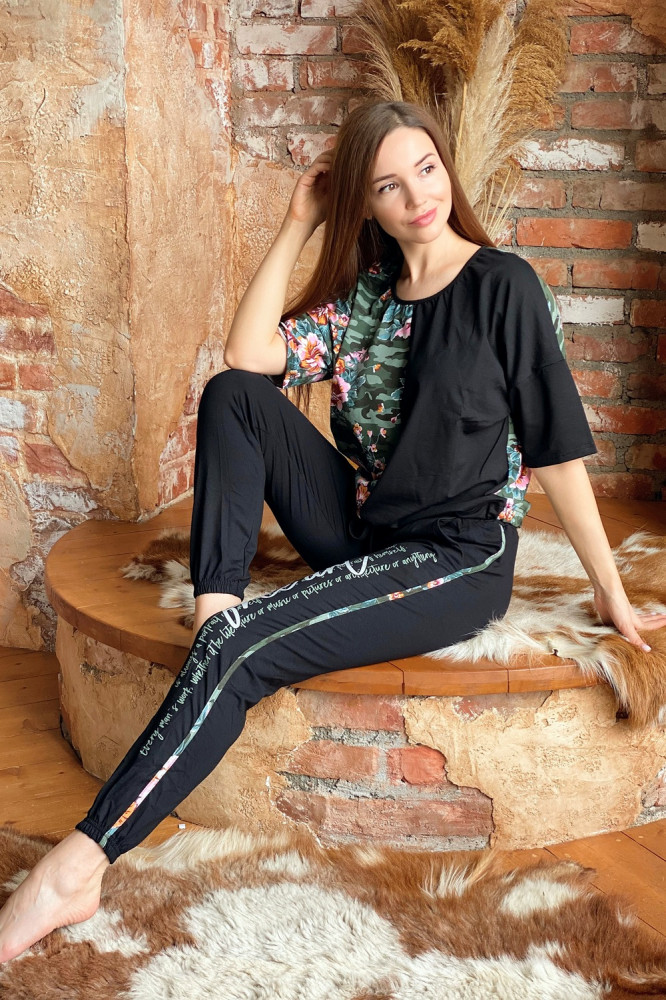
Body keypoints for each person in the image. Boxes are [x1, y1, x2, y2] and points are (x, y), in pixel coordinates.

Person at [1, 99, 664, 965]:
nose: (417, 196)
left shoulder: (505, 286)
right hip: (359, 528)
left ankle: (78, 866)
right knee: (235, 397)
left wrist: (610, 591)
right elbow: (247, 356)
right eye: (388, 186)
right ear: (366, 205)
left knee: (244, 652)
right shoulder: (365, 302)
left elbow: (558, 452)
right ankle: (215, 608)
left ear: (446, 169)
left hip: (456, 556)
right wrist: (298, 223)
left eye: (426, 169)